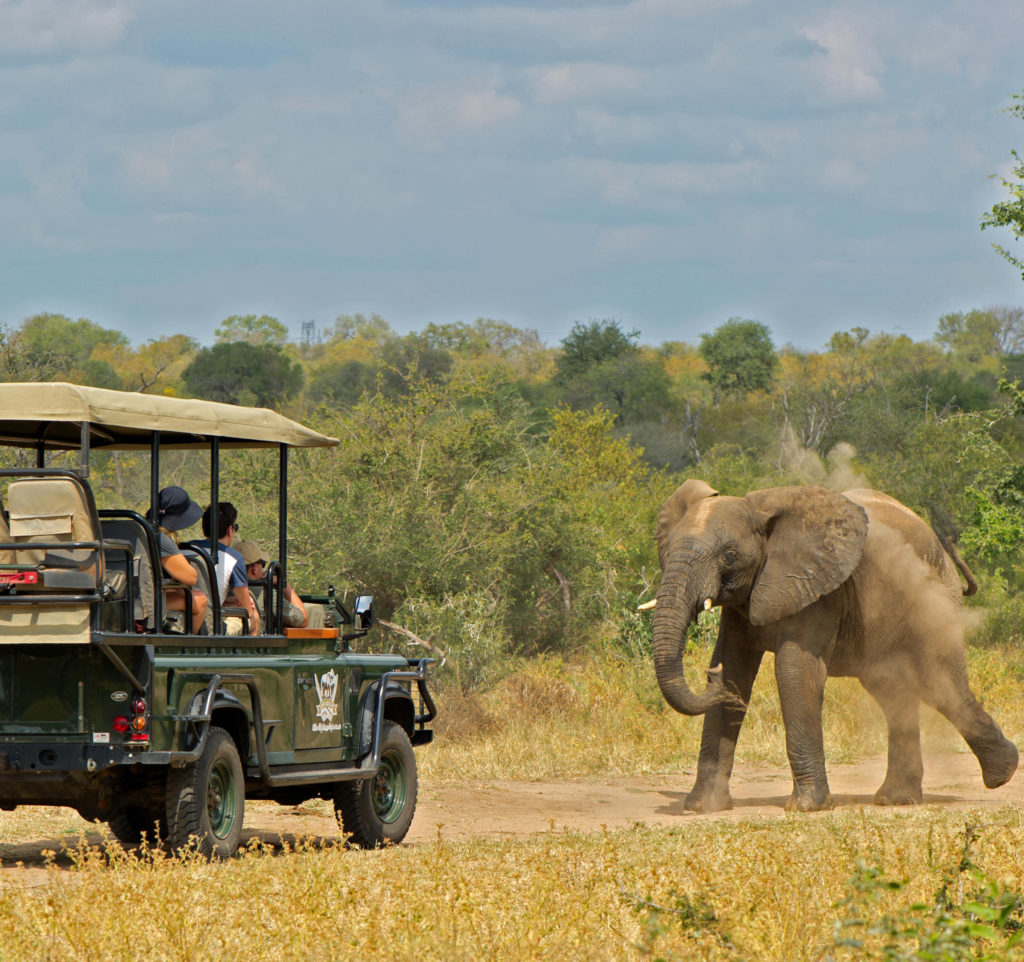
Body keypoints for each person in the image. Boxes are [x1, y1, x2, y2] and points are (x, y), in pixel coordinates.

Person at [193, 502, 260, 636]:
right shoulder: (233, 558)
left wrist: (225, 602)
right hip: (210, 626)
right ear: (230, 530)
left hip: (188, 617)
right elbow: (247, 609)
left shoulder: (186, 549)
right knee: (254, 618)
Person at [153, 486, 208, 634]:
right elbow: (190, 577)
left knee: (181, 592)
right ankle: (187, 646)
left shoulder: (140, 529)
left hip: (136, 598)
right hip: (148, 602)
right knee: (200, 599)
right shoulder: (160, 538)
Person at [236, 539, 320, 629]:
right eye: (263, 564)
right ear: (255, 568)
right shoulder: (266, 594)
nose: (264, 570)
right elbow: (303, 620)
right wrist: (284, 585)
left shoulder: (226, 588)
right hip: (258, 640)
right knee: (316, 611)